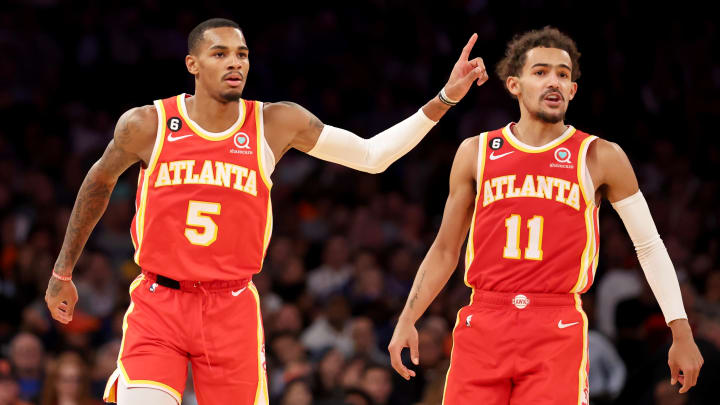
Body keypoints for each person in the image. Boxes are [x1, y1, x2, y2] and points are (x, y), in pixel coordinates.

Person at [43, 18, 489, 405]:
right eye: (220, 54)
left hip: (232, 306)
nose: (235, 62)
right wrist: (63, 272)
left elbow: (373, 156)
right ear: (192, 65)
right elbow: (97, 184)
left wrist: (444, 99)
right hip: (160, 303)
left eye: (242, 54)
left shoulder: (275, 122)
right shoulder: (148, 124)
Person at [387, 26, 704, 404]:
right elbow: (444, 250)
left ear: (572, 91)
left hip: (555, 324)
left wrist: (680, 331)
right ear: (514, 85)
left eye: (563, 74)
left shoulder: (601, 155)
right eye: (540, 72)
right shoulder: (476, 151)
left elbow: (649, 247)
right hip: (484, 318)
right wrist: (408, 317)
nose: (553, 81)